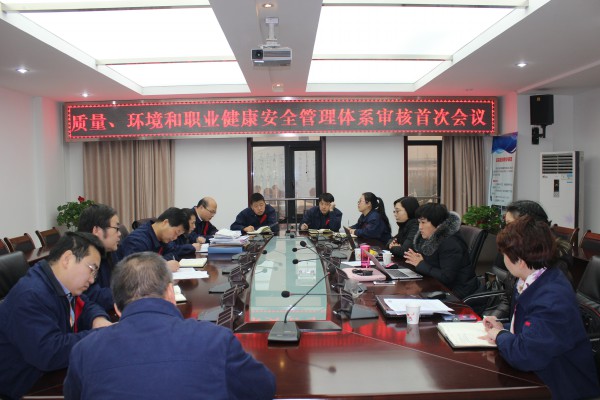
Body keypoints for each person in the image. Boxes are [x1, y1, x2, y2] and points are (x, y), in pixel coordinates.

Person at [63, 252, 276, 399]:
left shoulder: (84, 351)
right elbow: (263, 389)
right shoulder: (216, 339)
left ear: (117, 308)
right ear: (170, 293)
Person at [482, 216, 600, 400]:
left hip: (562, 386)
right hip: (541, 375)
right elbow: (533, 330)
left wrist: (499, 335)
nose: (502, 258)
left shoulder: (551, 298)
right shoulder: (535, 279)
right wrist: (502, 327)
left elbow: (525, 355)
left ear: (520, 261)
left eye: (504, 254)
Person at [0, 232, 112, 399]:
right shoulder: (30, 295)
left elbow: (86, 304)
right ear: (67, 259)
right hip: (26, 386)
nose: (92, 280)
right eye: (92, 269)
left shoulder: (59, 283)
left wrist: (98, 319)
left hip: (51, 372)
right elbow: (49, 353)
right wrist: (100, 335)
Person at [488, 200, 574, 319]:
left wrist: (505, 330)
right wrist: (494, 320)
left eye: (509, 225)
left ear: (529, 226)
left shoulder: (554, 269)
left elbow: (539, 322)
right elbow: (508, 299)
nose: (506, 230)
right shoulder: (520, 254)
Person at [404, 203, 478, 299]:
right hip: (439, 287)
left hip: (456, 294)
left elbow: (447, 277)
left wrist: (421, 264)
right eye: (419, 222)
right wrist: (419, 261)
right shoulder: (431, 239)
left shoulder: (450, 244)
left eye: (423, 222)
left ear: (437, 224)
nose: (420, 227)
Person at [77, 203, 122, 311]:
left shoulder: (109, 251)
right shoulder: (81, 257)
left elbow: (120, 280)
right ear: (96, 231)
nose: (119, 233)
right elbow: (95, 297)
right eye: (116, 228)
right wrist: (131, 293)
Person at [116, 207, 189, 272]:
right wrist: (163, 266)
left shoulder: (162, 237)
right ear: (165, 223)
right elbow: (134, 271)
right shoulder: (137, 240)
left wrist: (159, 262)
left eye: (178, 235)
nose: (175, 238)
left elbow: (173, 253)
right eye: (176, 232)